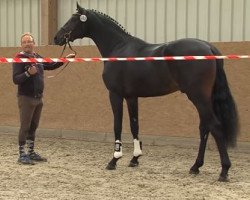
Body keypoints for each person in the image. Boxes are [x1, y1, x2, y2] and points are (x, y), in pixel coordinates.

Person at [12, 32, 74, 165]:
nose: (28, 44)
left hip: (38, 98)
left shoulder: (36, 56)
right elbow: (16, 79)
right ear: (21, 45)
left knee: (33, 126)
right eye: (25, 42)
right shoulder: (19, 58)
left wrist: (64, 59)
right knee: (25, 126)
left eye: (30, 41)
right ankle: (22, 154)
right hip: (26, 98)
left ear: (34, 44)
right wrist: (28, 73)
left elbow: (50, 65)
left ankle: (31, 152)